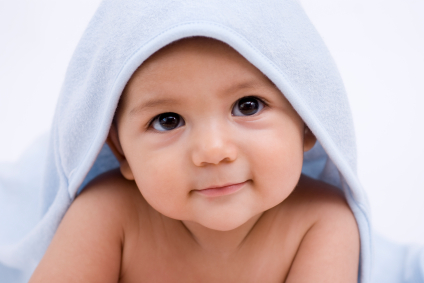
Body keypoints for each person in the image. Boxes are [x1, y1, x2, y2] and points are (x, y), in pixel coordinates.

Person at [0, 0, 375, 282]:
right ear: (121, 151)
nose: (213, 151)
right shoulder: (107, 214)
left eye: (248, 106)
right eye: (168, 120)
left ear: (307, 122)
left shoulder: (322, 221)